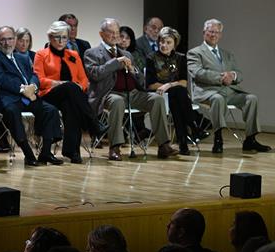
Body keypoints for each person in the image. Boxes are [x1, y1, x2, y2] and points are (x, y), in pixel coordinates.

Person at [83, 18, 177, 161]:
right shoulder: (92, 53)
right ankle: (115, 147)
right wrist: (115, 63)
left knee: (157, 99)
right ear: (101, 34)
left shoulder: (127, 54)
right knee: (117, 101)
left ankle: (163, 145)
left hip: (132, 93)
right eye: (111, 32)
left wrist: (133, 70)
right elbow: (95, 74)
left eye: (117, 32)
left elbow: (140, 80)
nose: (115, 36)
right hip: (108, 94)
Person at [187, 19, 270, 153]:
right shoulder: (195, 52)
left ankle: (250, 139)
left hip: (229, 92)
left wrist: (233, 75)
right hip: (207, 93)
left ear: (221, 35)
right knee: (218, 99)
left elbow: (239, 74)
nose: (214, 35)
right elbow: (197, 73)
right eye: (211, 31)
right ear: (204, 33)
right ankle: (218, 139)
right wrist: (221, 78)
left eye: (217, 32)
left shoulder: (227, 54)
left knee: (252, 98)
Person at [0, 26, 63, 166]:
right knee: (11, 112)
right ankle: (28, 153)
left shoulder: (22, 57)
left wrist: (33, 87)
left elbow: (34, 75)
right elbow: (0, 79)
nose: (7, 43)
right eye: (3, 40)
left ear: (15, 40)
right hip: (8, 98)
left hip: (29, 96)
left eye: (10, 39)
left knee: (50, 110)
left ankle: (46, 152)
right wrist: (23, 90)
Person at [33, 21, 107, 164]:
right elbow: (39, 80)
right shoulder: (41, 55)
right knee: (70, 88)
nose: (61, 41)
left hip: (71, 96)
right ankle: (94, 125)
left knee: (71, 106)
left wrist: (78, 86)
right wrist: (60, 84)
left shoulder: (73, 54)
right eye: (57, 37)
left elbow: (84, 79)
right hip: (49, 94)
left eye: (64, 38)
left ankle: (72, 152)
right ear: (50, 37)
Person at [147, 27, 206, 155]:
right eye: (162, 42)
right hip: (159, 95)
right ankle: (192, 129)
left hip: (174, 94)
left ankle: (184, 142)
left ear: (175, 44)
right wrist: (171, 86)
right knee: (179, 94)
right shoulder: (151, 57)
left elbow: (184, 82)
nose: (164, 45)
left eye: (168, 42)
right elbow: (150, 85)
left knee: (177, 97)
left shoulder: (180, 58)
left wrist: (168, 85)